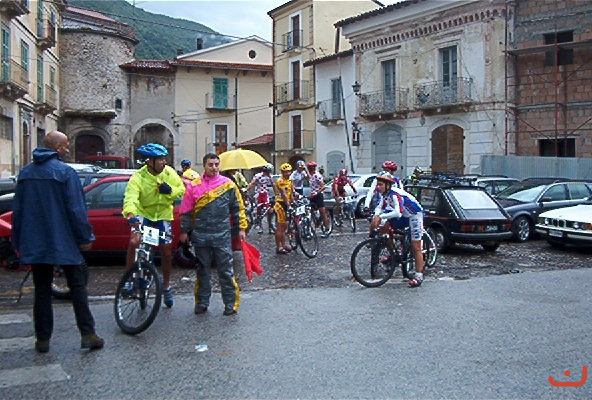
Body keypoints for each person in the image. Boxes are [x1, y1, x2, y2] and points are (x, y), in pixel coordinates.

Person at [12, 130, 104, 353]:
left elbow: (18, 211)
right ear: (57, 148)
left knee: (42, 289)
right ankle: (87, 333)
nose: (67, 149)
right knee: (77, 286)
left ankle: (42, 339)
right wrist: (85, 237)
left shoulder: (26, 173)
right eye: (65, 145)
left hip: (37, 240)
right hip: (64, 239)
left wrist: (18, 241)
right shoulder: (65, 172)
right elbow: (76, 209)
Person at [179, 153, 247, 316]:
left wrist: (241, 228)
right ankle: (202, 302)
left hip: (222, 235)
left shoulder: (228, 185)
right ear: (204, 166)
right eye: (210, 164)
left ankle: (230, 304)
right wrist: (184, 231)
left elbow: (238, 208)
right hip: (200, 236)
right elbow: (186, 211)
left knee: (226, 271)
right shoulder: (194, 185)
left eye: (216, 164)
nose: (214, 167)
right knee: (202, 270)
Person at [123, 143, 185, 308]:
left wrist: (169, 191)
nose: (164, 162)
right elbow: (131, 197)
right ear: (150, 161)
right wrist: (131, 214)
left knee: (166, 252)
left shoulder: (169, 172)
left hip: (162, 216)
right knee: (134, 242)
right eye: (160, 160)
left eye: (164, 159)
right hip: (143, 214)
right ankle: (128, 279)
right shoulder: (139, 177)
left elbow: (181, 190)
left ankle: (166, 286)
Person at [369, 172, 425, 288]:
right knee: (384, 226)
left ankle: (419, 276)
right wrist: (376, 216)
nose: (378, 187)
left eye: (380, 185)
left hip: (414, 215)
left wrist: (381, 216)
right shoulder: (385, 194)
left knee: (416, 247)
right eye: (378, 184)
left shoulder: (395, 194)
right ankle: (393, 252)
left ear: (388, 185)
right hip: (404, 215)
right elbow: (379, 207)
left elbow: (397, 213)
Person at [274, 163, 296, 254]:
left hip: (287, 204)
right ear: (282, 172)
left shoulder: (290, 181)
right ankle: (278, 246)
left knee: (285, 226)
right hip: (281, 204)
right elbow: (284, 194)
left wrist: (293, 201)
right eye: (285, 172)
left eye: (289, 171)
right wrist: (289, 206)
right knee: (280, 227)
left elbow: (291, 193)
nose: (287, 173)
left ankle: (284, 244)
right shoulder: (280, 181)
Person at [246, 163, 274, 234]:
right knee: (259, 211)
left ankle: (270, 226)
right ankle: (260, 227)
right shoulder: (258, 176)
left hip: (265, 194)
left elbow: (273, 185)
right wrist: (246, 190)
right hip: (258, 194)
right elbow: (252, 183)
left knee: (269, 211)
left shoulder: (270, 176)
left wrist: (277, 193)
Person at [307, 161, 330, 234]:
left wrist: (317, 192)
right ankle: (315, 222)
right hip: (312, 195)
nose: (312, 169)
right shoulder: (310, 175)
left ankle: (327, 228)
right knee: (310, 210)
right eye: (310, 168)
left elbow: (323, 187)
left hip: (318, 195)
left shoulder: (317, 175)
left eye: (313, 167)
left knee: (322, 211)